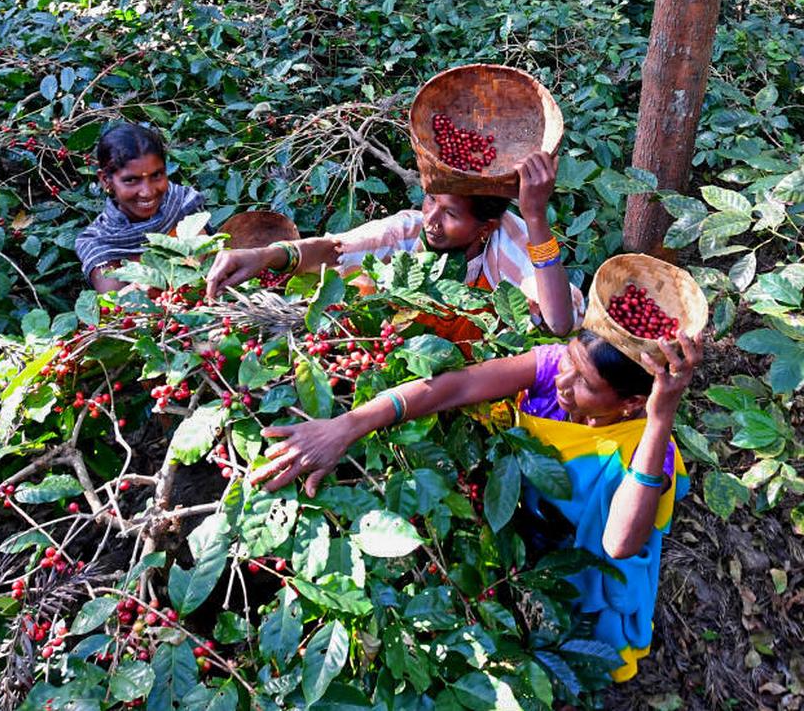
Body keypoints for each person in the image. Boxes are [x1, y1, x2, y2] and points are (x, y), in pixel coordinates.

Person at [250, 329, 701, 681]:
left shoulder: (648, 449)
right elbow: (454, 387)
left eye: (585, 383)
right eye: (569, 360)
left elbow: (620, 543)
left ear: (632, 403)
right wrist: (347, 426)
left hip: (592, 555)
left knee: (586, 631)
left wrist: (660, 418)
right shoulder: (549, 369)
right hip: (532, 513)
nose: (564, 381)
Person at [205, 152, 583, 337]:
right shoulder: (409, 229)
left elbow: (560, 321)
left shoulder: (507, 241)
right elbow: (337, 248)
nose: (431, 218)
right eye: (430, 198)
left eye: (450, 213)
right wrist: (266, 254)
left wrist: (536, 217)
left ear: (484, 228)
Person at [75, 122, 207, 293]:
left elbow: (209, 257)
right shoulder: (97, 242)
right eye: (131, 180)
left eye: (156, 175)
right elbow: (119, 306)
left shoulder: (181, 202)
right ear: (105, 180)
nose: (147, 192)